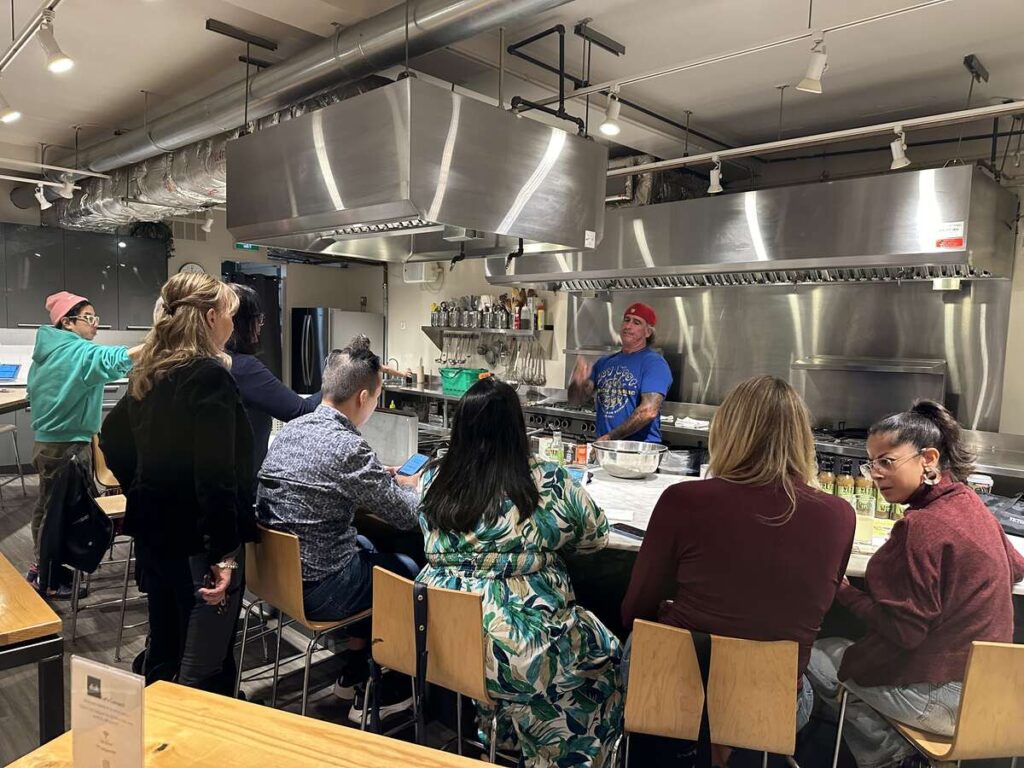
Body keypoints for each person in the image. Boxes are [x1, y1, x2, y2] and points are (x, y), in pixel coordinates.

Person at [621, 376, 855, 766]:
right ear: (802, 438)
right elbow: (815, 609)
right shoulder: (839, 515)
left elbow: (635, 611)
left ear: (726, 432)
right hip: (772, 705)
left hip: (673, 691)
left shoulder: (684, 500)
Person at [807, 400, 1024, 768]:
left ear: (928, 459)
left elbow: (903, 632)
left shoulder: (922, 526)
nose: (875, 473)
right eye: (871, 463)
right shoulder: (968, 501)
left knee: (816, 656)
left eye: (887, 462)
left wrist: (845, 592)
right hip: (987, 693)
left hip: (943, 698)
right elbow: (1016, 567)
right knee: (850, 654)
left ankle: (893, 759)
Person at [419, 376, 622, 768]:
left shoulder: (434, 478)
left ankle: (500, 733)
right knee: (608, 657)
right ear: (518, 427)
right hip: (518, 648)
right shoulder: (547, 480)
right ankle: (556, 751)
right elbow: (596, 536)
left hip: (441, 638)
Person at [100, 273, 253, 695]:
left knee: (165, 649)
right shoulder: (208, 376)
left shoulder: (151, 373)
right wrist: (224, 554)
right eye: (229, 316)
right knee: (205, 668)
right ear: (209, 317)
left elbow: (111, 438)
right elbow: (217, 474)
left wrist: (144, 487)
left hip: (154, 538)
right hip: (197, 546)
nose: (231, 326)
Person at [256, 344, 420, 720]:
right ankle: (385, 687)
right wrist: (410, 487)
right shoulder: (348, 447)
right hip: (320, 588)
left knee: (363, 544)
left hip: (280, 578)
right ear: (363, 397)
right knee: (406, 572)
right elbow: (405, 516)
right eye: (378, 398)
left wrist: (378, 476)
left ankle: (353, 668)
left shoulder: (292, 430)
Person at [25, 291, 141, 597]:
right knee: (60, 516)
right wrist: (159, 342)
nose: (95, 325)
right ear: (68, 322)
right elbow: (112, 359)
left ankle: (42, 568)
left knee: (48, 509)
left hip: (48, 444)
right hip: (66, 447)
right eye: (88, 318)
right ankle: (49, 577)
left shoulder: (49, 351)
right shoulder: (75, 352)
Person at [225, 283, 320, 474]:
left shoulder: (209, 362)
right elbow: (302, 411)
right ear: (241, 322)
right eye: (258, 319)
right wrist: (339, 380)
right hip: (239, 489)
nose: (260, 326)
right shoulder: (243, 368)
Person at [568, 302, 671, 443]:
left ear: (648, 332)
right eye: (626, 320)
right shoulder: (604, 362)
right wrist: (577, 383)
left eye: (637, 322)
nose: (628, 326)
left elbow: (649, 411)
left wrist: (611, 437)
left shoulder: (654, 363)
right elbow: (575, 401)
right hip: (606, 447)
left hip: (638, 452)